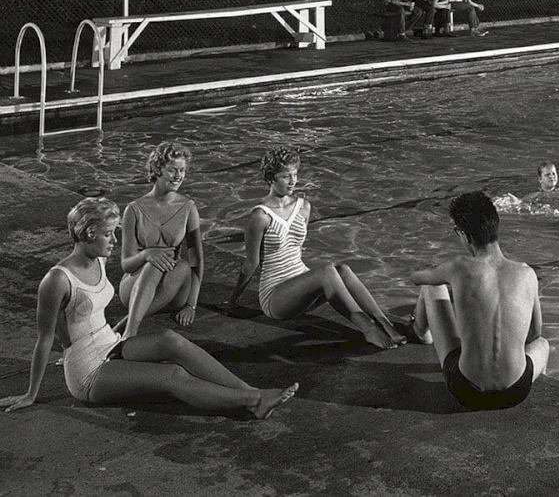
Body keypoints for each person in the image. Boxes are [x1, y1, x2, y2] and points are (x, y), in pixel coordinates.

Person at [1, 197, 297, 419]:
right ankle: (253, 402)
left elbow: (91, 313)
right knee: (172, 377)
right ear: (89, 233)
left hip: (109, 343)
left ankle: (250, 392)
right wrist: (30, 394)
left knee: (171, 340)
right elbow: (44, 339)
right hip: (87, 371)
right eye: (109, 234)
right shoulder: (56, 280)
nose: (115, 241)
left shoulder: (99, 259)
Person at [228, 146, 406, 349]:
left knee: (343, 270)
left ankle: (383, 322)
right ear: (271, 178)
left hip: (301, 286)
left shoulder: (303, 207)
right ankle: (368, 329)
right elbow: (251, 264)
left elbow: (294, 250)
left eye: (295, 174)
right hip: (276, 297)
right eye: (286, 176)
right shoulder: (260, 216)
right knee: (327, 270)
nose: (293, 181)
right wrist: (232, 302)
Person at [409, 191, 550, 411]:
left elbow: (416, 278)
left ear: (463, 235)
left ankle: (420, 332)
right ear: (496, 226)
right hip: (516, 392)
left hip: (466, 391)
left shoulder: (458, 267)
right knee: (543, 345)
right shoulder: (527, 273)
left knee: (430, 285)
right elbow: (534, 335)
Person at [118, 142, 203, 339]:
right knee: (152, 264)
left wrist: (191, 305)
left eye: (182, 170)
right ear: (157, 170)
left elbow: (197, 261)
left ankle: (125, 328)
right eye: (172, 170)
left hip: (174, 286)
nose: (178, 176)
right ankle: (129, 330)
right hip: (134, 288)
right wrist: (147, 254)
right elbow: (126, 265)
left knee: (182, 266)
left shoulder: (188, 208)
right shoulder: (134, 209)